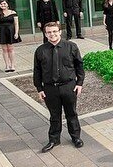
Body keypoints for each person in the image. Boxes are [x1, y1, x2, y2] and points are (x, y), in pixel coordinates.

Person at [34, 22, 85, 153]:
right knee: (54, 115)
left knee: (71, 113)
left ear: (60, 32)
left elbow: (79, 66)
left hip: (69, 86)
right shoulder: (40, 50)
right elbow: (37, 71)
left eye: (55, 31)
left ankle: (76, 137)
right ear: (45, 34)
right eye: (49, 32)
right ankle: (54, 139)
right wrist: (39, 88)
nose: (52, 34)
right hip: (50, 89)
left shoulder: (71, 47)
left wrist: (79, 83)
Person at [0, 0, 21, 72]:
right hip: (1, 32)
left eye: (4, 4)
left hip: (11, 32)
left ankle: (12, 65)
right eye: (1, 4)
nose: (3, 5)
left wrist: (16, 33)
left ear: (7, 4)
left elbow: (16, 23)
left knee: (11, 49)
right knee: (4, 49)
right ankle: (7, 65)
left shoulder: (13, 12)